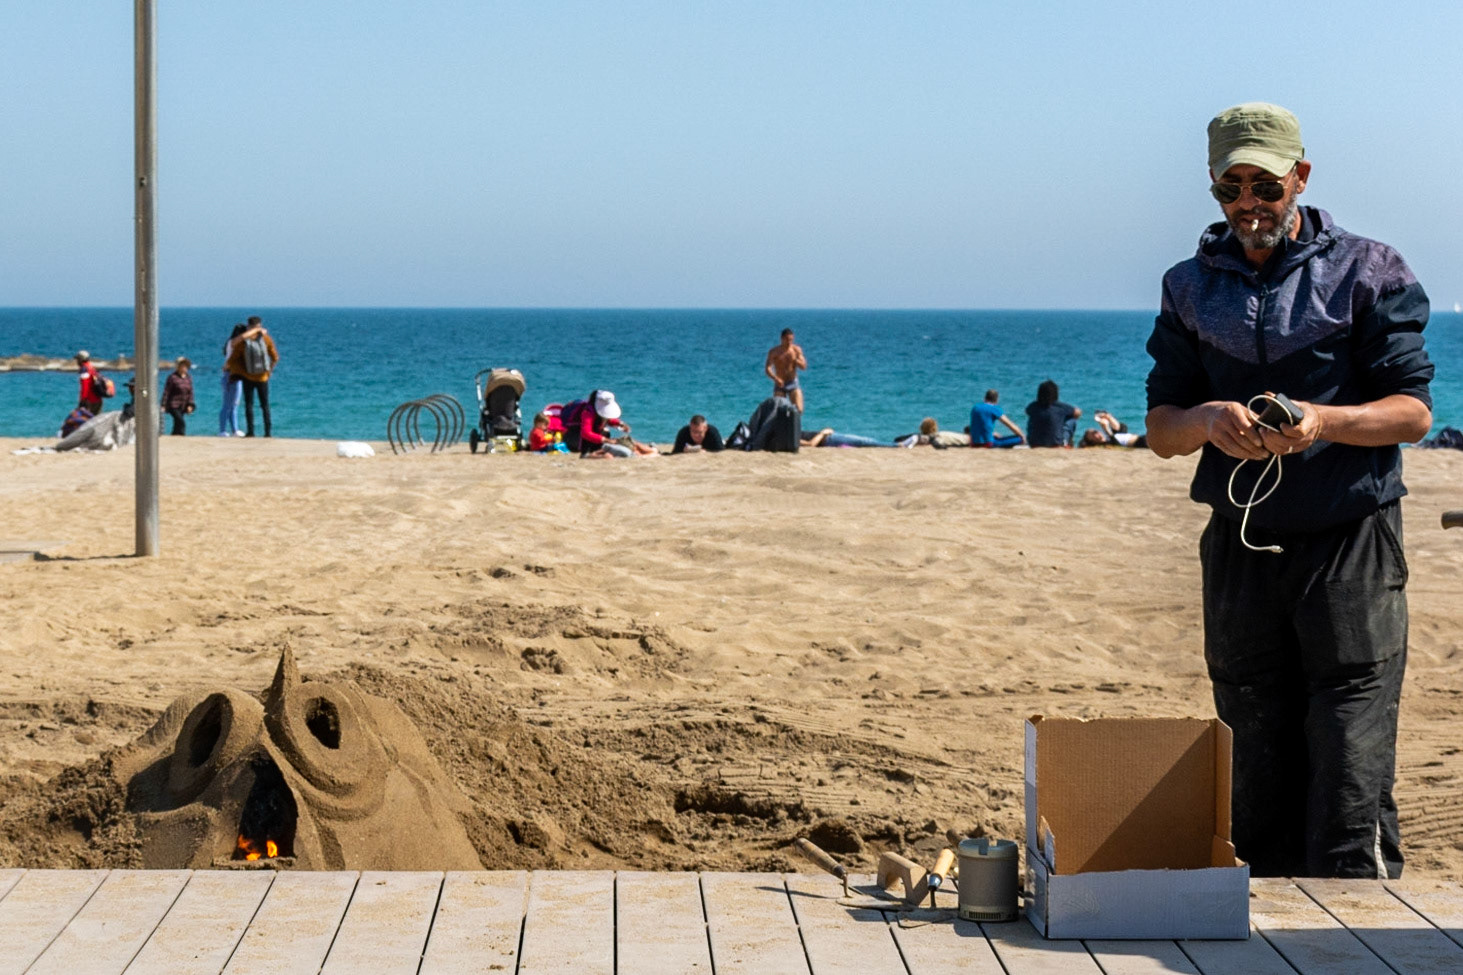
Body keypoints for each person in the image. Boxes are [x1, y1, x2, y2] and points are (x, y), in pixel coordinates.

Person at [1145, 102, 1434, 879]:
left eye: (1264, 185)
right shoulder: (1186, 286)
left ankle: (1356, 923)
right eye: (1230, 187)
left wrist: (1320, 422)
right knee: (1252, 747)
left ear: (1299, 177)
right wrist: (1206, 417)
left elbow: (1412, 413)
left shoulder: (1370, 270)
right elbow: (1159, 429)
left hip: (1350, 542)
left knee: (1348, 749)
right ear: (1213, 186)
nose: (1249, 203)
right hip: (1239, 548)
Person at [226, 316, 279, 437]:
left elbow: (234, 357)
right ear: (259, 326)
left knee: (249, 405)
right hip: (263, 377)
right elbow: (275, 357)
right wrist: (269, 370)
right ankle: (268, 432)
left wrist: (229, 367)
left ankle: (251, 431)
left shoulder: (243, 342)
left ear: (248, 326)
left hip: (247, 376)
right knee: (265, 405)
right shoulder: (266, 339)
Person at [563, 389, 630, 457]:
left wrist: (620, 424)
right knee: (604, 432)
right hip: (575, 439)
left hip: (583, 437)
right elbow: (586, 433)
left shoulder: (596, 411)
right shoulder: (587, 412)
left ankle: (595, 450)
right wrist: (606, 440)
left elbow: (608, 419)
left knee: (605, 432)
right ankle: (586, 454)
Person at [1025, 380, 1081, 447]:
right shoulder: (1059, 406)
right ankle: (1067, 443)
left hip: (1033, 443)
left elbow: (1027, 411)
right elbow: (1078, 412)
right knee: (1071, 420)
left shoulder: (1033, 406)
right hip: (1055, 443)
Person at [764, 328, 808, 412]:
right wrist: (775, 378)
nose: (789, 342)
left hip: (793, 382)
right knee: (779, 411)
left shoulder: (796, 350)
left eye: (791, 340)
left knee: (799, 409)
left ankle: (795, 424)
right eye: (787, 340)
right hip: (780, 383)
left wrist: (795, 360)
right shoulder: (774, 352)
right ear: (782, 339)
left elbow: (804, 367)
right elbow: (767, 368)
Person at [218, 323, 247, 437]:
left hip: (232, 374)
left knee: (233, 404)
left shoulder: (231, 343)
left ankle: (234, 429)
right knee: (228, 404)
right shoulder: (234, 343)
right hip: (231, 374)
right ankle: (223, 430)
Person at [161, 357, 196, 435]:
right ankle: (182, 437)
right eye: (182, 365)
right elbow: (166, 392)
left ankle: (174, 438)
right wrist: (163, 404)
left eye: (186, 366)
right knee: (181, 422)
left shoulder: (188, 378)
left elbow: (190, 392)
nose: (184, 368)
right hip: (173, 405)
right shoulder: (172, 377)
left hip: (183, 404)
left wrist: (190, 405)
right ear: (178, 366)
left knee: (177, 424)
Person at [1079, 411, 1146, 448]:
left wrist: (1109, 417)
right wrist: (1106, 429)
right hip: (1139, 442)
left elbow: (1123, 428)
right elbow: (1117, 445)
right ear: (1092, 441)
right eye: (1094, 434)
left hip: (1142, 438)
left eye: (1095, 431)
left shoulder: (1109, 437)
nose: (1097, 433)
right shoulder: (1106, 444)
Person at [74, 350, 105, 415]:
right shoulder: (91, 367)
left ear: (81, 360)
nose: (77, 362)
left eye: (77, 359)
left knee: (87, 423)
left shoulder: (84, 369)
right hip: (98, 399)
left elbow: (85, 387)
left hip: (90, 401)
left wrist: (82, 401)